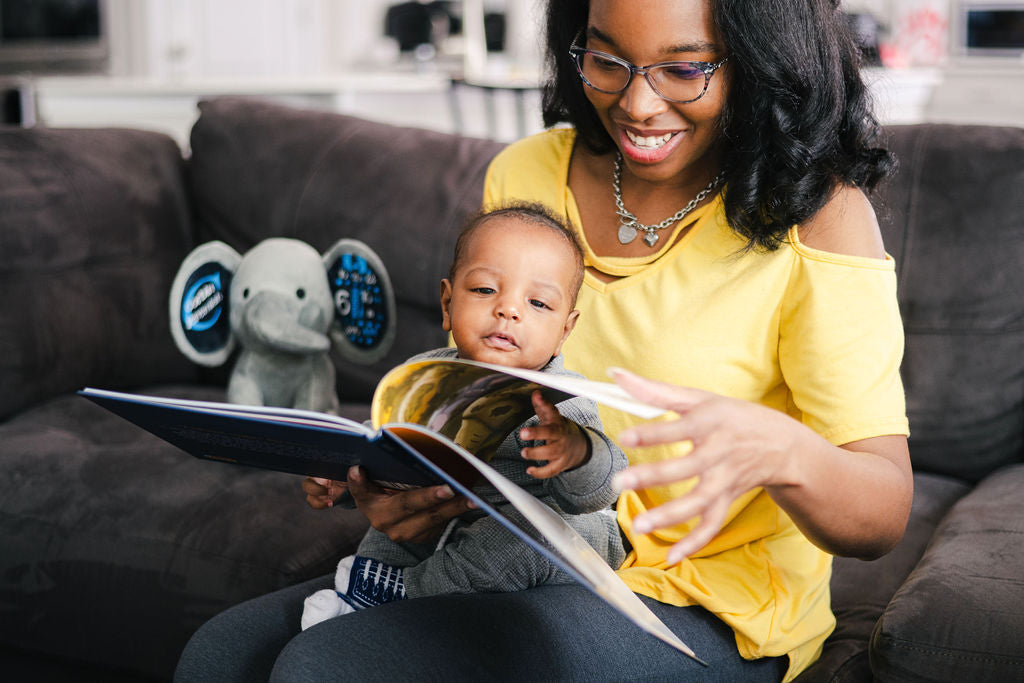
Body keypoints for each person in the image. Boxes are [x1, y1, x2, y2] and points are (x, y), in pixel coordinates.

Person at [175, 1, 911, 681]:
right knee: (221, 656)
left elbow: (882, 510)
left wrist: (782, 449)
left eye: (684, 69)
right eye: (606, 59)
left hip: (711, 604)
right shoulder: (527, 175)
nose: (637, 103)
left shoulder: (820, 214)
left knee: (326, 666)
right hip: (512, 557)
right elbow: (479, 400)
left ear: (760, 59)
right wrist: (407, 491)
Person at [298, 203, 626, 630]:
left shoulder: (562, 400)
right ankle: (369, 590)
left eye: (539, 303)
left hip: (561, 534)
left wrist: (579, 451)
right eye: (486, 291)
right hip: (456, 516)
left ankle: (402, 595)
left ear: (566, 329)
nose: (509, 310)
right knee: (389, 527)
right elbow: (388, 438)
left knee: (522, 537)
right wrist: (342, 473)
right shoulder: (426, 375)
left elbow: (601, 490)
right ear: (448, 303)